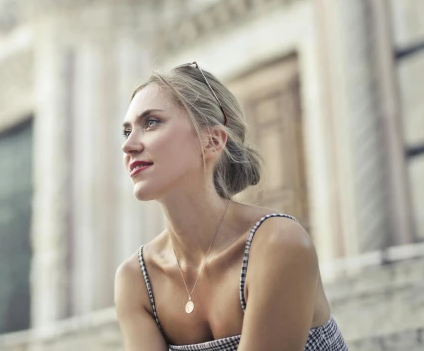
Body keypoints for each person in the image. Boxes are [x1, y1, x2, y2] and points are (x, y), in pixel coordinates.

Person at [115, 62, 347, 350]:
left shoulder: (279, 243)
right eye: (127, 131)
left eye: (151, 122)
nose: (128, 146)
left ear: (211, 141)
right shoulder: (136, 279)